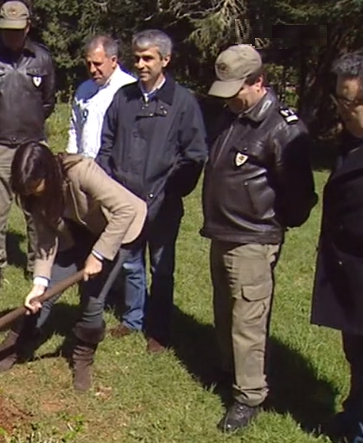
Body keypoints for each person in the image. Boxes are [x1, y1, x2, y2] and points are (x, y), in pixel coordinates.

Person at [201, 44, 317, 432]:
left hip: (253, 236)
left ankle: (249, 395)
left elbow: (299, 194)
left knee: (247, 320)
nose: (229, 98)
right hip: (222, 231)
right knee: (224, 309)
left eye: (236, 89)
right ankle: (226, 369)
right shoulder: (231, 115)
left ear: (258, 82)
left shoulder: (282, 127)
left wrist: (271, 226)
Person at [0, 142, 147, 392]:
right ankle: (10, 351)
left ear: (47, 173)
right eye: (26, 189)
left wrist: (99, 254)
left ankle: (82, 359)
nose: (31, 193)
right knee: (45, 293)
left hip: (118, 228)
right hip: (79, 230)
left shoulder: (81, 171)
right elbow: (46, 240)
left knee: (93, 298)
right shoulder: (33, 194)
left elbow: (125, 210)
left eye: (34, 187)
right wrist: (39, 283)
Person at [95, 29, 208, 352]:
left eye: (149, 58)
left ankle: (158, 329)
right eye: (138, 58)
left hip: (163, 204)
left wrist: (172, 191)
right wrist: (109, 185)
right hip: (125, 202)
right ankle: (133, 319)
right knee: (130, 263)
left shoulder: (182, 102)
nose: (141, 64)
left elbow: (195, 154)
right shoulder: (124, 97)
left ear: (165, 60)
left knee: (161, 268)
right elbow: (106, 144)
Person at [0, 0, 56, 297]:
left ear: (28, 27)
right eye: (7, 31)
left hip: (33, 146)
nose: (12, 36)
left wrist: (29, 130)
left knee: (37, 211)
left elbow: (48, 101)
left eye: (18, 31)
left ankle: (36, 266)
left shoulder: (42, 58)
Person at [310, 49, 363, 443]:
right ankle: (355, 412)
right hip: (349, 273)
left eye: (354, 102)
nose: (345, 111)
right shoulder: (352, 138)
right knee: (356, 355)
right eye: (341, 101)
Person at [67, 34, 136, 159]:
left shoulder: (129, 90)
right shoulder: (84, 90)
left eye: (97, 64)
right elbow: (75, 128)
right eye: (89, 64)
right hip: (83, 164)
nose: (92, 69)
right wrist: (71, 158)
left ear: (113, 61)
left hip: (113, 168)